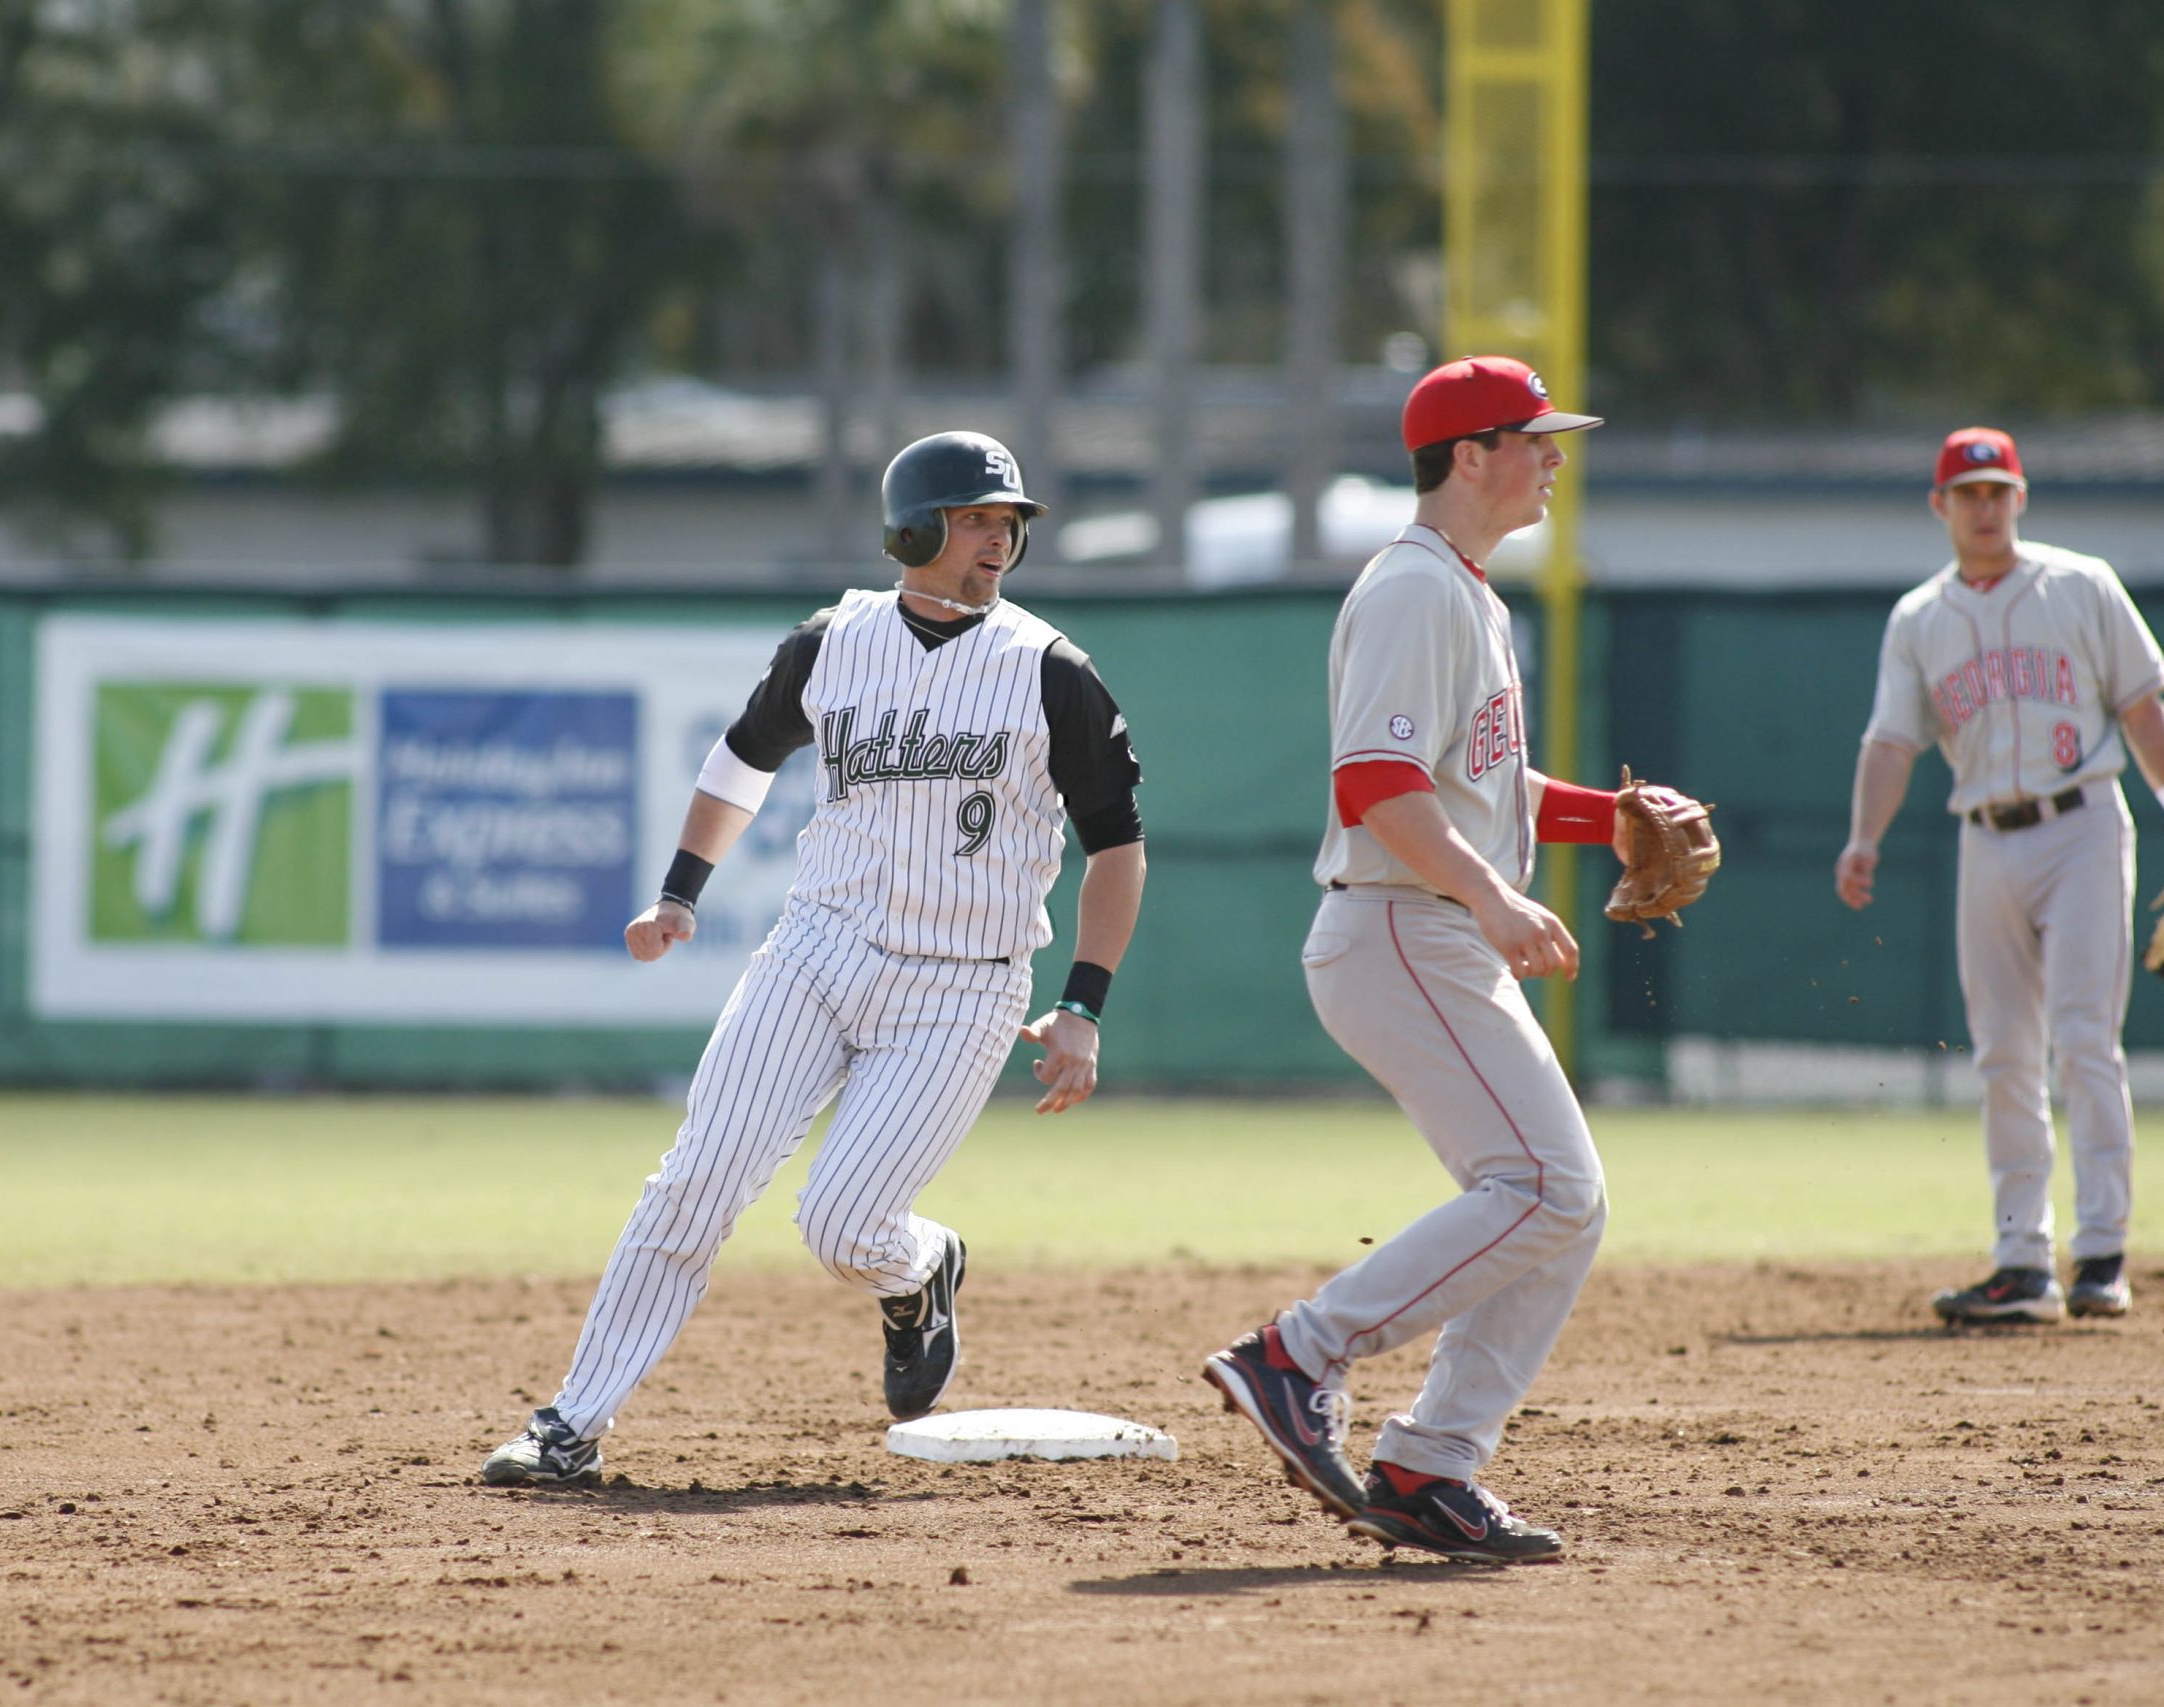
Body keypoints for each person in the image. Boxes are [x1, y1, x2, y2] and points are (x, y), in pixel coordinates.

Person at [482, 430, 1148, 1486]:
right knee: (695, 1179)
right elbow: (741, 759)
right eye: (975, 519)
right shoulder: (832, 642)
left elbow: (1117, 845)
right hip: (816, 951)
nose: (998, 541)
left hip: (961, 984)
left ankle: (922, 1267)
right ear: (912, 529)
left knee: (841, 1228)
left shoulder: (1049, 671)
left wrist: (1084, 1004)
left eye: (1008, 523)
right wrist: (677, 895)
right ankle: (571, 1420)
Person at [1202, 355, 1635, 1565]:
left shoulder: (1469, 593)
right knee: (1546, 1189)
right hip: (1399, 923)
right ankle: (1296, 1354)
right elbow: (1376, 786)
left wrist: (1610, 818)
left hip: (1423, 922)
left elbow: (1477, 787)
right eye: (1534, 439)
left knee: (1561, 1202)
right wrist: (1497, 900)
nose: (1553, 457)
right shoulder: (1412, 591)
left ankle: (1427, 1467)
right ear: (1467, 454)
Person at [1836, 426, 2164, 1325]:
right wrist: (1863, 838)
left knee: (2082, 1039)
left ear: (2020, 498)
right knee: (2003, 1055)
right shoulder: (1919, 617)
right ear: (1940, 506)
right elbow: (1891, 740)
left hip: (2084, 826)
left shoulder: (2082, 584)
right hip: (1985, 835)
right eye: (1968, 493)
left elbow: (2144, 710)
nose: (1985, 507)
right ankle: (2024, 1262)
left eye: (1999, 491)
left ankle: (2101, 1254)